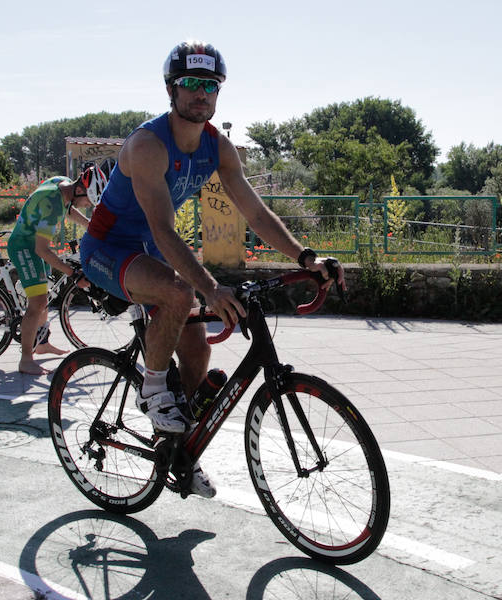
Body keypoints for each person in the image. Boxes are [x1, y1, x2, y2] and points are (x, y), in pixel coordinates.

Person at [80, 40, 344, 498]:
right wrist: (210, 288)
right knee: (181, 295)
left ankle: (178, 451)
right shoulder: (147, 145)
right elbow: (163, 229)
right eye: (190, 84)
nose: (201, 93)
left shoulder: (218, 148)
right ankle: (152, 389)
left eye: (210, 85)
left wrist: (305, 258)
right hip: (108, 247)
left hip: (151, 252)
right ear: (170, 89)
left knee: (199, 355)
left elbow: (257, 214)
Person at [8, 165, 107, 374]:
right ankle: (25, 360)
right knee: (38, 303)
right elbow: (41, 249)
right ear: (79, 190)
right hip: (25, 246)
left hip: (33, 244)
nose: (88, 205)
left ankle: (41, 343)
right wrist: (73, 274)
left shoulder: (61, 184)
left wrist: (90, 225)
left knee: (45, 294)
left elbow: (69, 209)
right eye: (88, 201)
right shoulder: (52, 203)